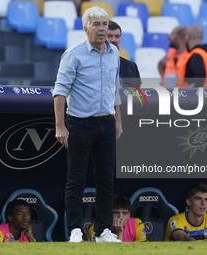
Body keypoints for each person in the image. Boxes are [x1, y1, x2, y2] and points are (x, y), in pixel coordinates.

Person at [52, 6, 122, 243]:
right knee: (76, 179)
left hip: (107, 124)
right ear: (85, 28)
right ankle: (74, 229)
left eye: (105, 24)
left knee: (106, 179)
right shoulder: (73, 54)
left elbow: (115, 90)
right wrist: (60, 126)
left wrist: (118, 121)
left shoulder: (113, 53)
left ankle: (102, 230)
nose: (102, 29)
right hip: (80, 124)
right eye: (97, 24)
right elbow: (60, 91)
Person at [107, 20, 141, 88]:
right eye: (109, 36)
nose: (114, 40)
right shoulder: (92, 65)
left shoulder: (131, 67)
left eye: (117, 36)